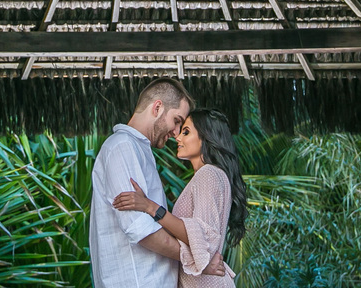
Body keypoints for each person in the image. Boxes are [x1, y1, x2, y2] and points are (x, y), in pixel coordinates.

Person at [90, 79, 227, 287]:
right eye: (177, 120)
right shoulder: (122, 147)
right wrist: (198, 261)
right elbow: (140, 229)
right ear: (157, 107)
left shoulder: (140, 151)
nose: (176, 132)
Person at [113, 109, 248, 287]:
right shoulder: (213, 175)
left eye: (186, 132)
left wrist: (151, 207)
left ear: (206, 136)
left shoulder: (208, 174)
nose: (177, 137)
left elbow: (203, 238)